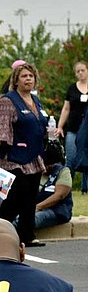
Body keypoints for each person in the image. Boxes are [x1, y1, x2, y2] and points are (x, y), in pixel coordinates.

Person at [0, 62, 48, 248]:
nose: (28, 79)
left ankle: (26, 234)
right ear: (16, 80)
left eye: (31, 76)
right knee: (15, 196)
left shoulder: (35, 101)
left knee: (30, 196)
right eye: (24, 76)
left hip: (34, 156)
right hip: (13, 157)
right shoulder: (7, 101)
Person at [56, 60, 88, 195]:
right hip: (73, 129)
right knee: (71, 158)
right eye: (77, 71)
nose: (80, 73)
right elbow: (66, 108)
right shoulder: (71, 88)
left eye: (83, 70)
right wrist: (60, 126)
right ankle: (66, 189)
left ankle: (85, 188)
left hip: (87, 130)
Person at [26, 140, 73, 229]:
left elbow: (59, 195)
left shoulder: (63, 171)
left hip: (56, 210)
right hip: (33, 209)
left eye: (49, 165)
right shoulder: (33, 171)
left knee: (33, 219)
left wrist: (38, 207)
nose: (46, 167)